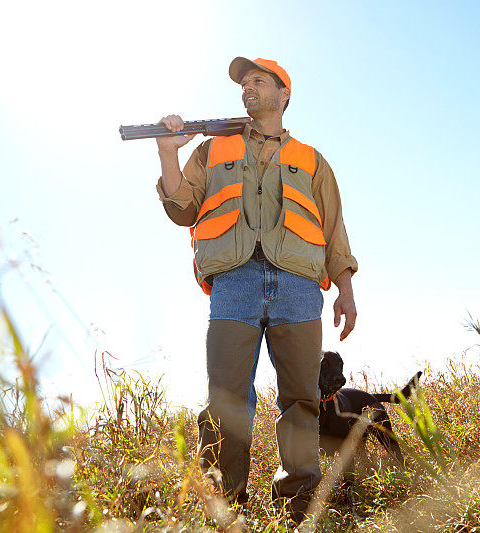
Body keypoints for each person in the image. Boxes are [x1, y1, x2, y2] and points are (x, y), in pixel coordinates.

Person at [153, 57, 358, 523]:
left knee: (302, 399)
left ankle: (299, 504)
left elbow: (334, 229)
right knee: (227, 398)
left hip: (299, 285)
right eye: (244, 82)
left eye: (258, 79)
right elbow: (182, 208)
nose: (248, 86)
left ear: (284, 94)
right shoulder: (212, 149)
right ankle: (225, 510)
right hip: (235, 282)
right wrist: (169, 153)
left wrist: (344, 289)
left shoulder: (312, 160)